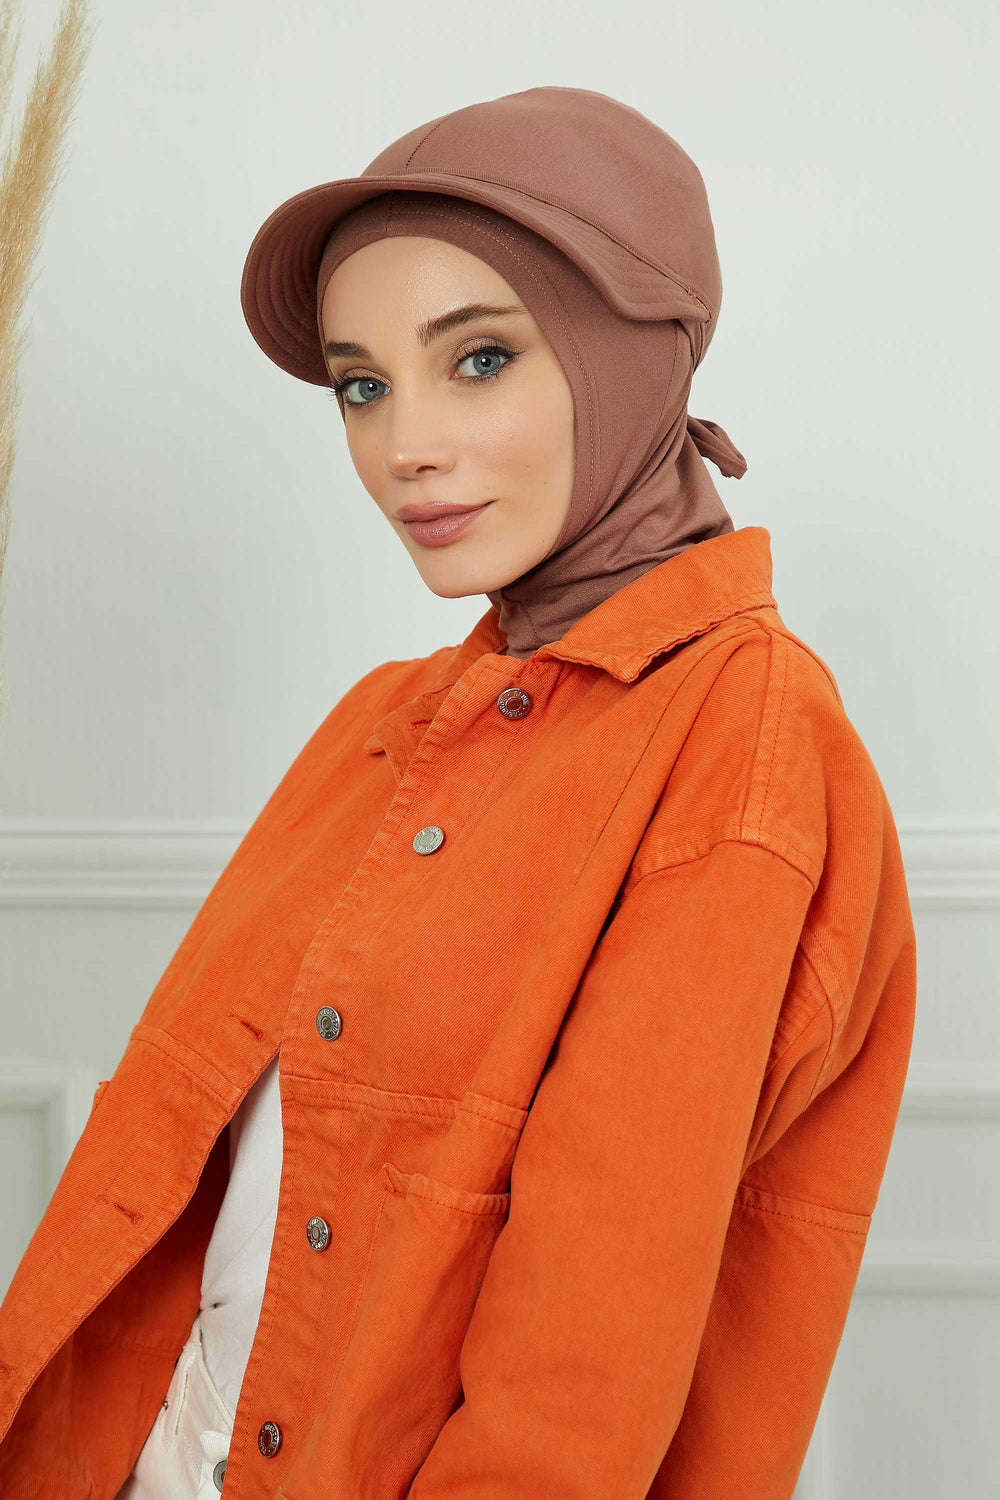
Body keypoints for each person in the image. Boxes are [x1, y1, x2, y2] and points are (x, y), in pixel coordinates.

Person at [0, 86, 916, 1499]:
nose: (402, 446)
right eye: (362, 385)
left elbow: (578, 1378)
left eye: (478, 359)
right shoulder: (388, 719)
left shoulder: (741, 741)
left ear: (636, 354)